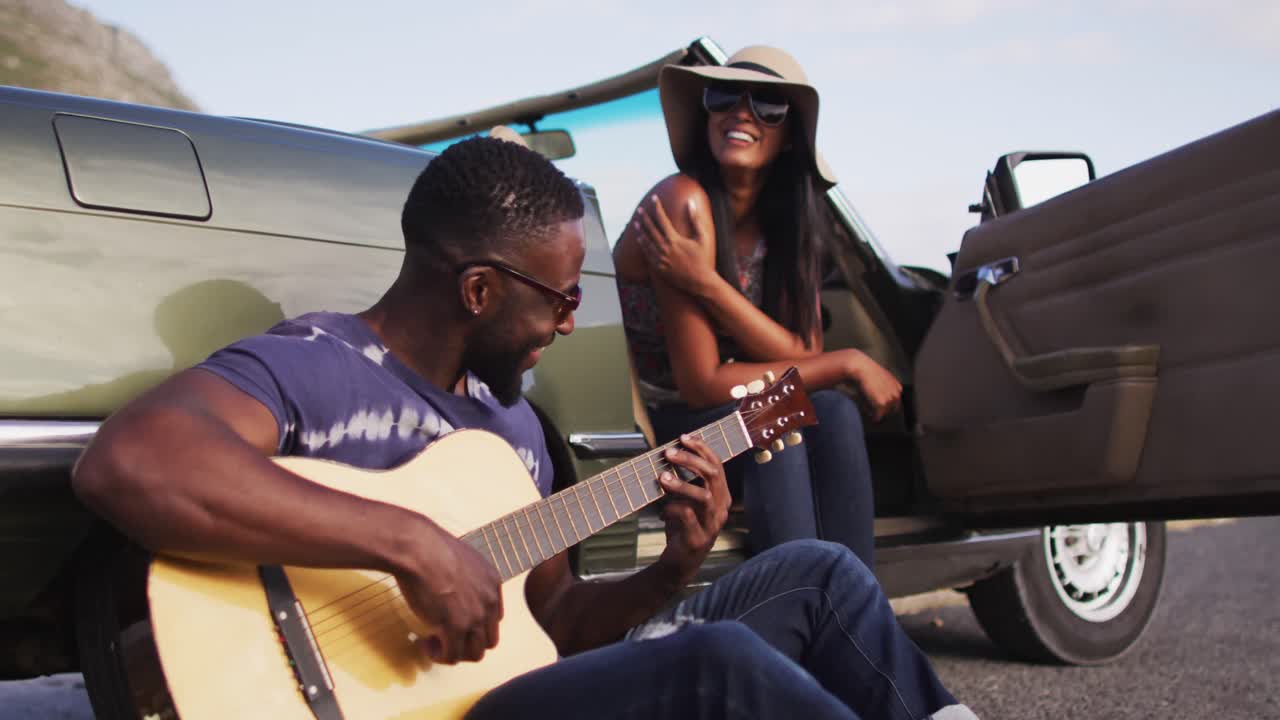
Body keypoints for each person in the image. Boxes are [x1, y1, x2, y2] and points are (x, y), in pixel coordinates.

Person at [71, 136, 972, 719]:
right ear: (478, 290)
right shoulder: (317, 364)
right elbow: (132, 461)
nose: (574, 321)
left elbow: (561, 623)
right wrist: (411, 545)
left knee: (822, 576)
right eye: (563, 297)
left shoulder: (511, 430)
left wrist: (672, 569)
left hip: (511, 694)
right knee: (721, 667)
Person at [614, 46, 900, 566]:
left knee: (832, 411)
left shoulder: (788, 228)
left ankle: (854, 616)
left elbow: (805, 351)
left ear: (790, 135)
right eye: (724, 95)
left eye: (768, 104)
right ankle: (799, 608)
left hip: (733, 412)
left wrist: (705, 283)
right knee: (782, 415)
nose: (741, 112)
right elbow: (700, 383)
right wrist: (848, 362)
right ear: (705, 114)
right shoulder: (682, 202)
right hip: (658, 427)